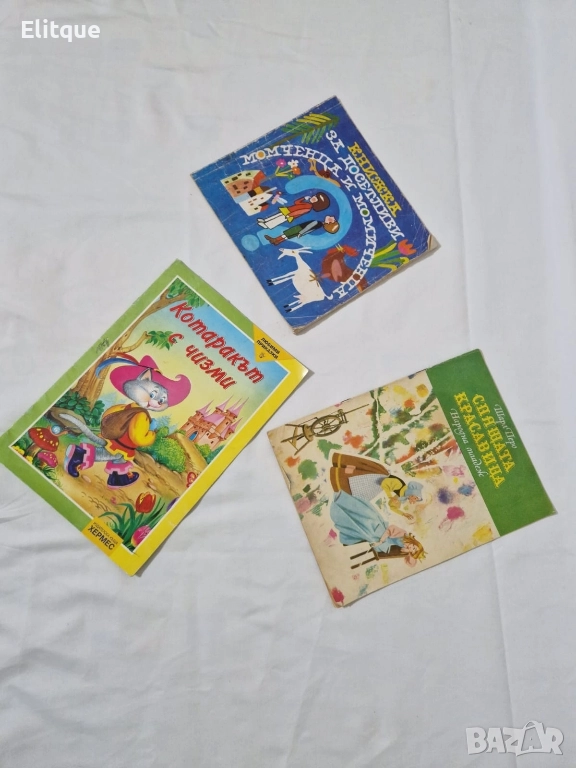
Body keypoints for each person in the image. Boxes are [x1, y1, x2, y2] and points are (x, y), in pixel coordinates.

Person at [257, 192, 330, 229]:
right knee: (277, 215)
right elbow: (296, 202)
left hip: (290, 214)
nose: (314, 197)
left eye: (316, 199)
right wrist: (304, 198)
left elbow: (299, 212)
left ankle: (267, 225)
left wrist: (290, 215)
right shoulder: (307, 203)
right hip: (288, 210)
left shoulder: (308, 208)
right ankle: (265, 221)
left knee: (278, 220)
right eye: (315, 196)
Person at [264, 215, 339, 246]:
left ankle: (275, 239)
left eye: (332, 219)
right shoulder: (319, 225)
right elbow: (310, 230)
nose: (332, 217)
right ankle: (277, 242)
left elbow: (308, 227)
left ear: (329, 223)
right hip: (301, 231)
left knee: (287, 234)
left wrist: (301, 232)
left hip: (299, 228)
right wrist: (302, 234)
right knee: (288, 236)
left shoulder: (317, 222)